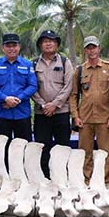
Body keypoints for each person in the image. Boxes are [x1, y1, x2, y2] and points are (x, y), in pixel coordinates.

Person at [70, 36, 109, 184]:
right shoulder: (79, 70)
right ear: (85, 50)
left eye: (94, 47)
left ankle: (106, 180)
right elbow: (73, 95)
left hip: (104, 117)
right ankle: (87, 179)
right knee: (85, 152)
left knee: (106, 152)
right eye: (89, 48)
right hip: (85, 118)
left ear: (99, 48)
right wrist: (75, 116)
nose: (92, 51)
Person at [31, 30, 74, 176]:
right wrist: (43, 105)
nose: (48, 44)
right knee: (42, 147)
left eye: (51, 41)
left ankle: (62, 176)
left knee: (63, 146)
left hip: (61, 112)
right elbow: (31, 87)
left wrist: (55, 104)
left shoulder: (65, 62)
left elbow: (68, 85)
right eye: (45, 41)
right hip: (41, 113)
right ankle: (44, 177)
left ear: (57, 44)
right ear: (40, 45)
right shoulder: (34, 63)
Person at [0, 33, 38, 142]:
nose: (11, 49)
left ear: (19, 47)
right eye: (8, 46)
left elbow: (33, 85)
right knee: (0, 147)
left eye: (14, 45)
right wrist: (5, 98)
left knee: (23, 146)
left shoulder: (27, 65)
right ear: (3, 48)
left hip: (22, 113)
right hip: (1, 113)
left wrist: (18, 99)